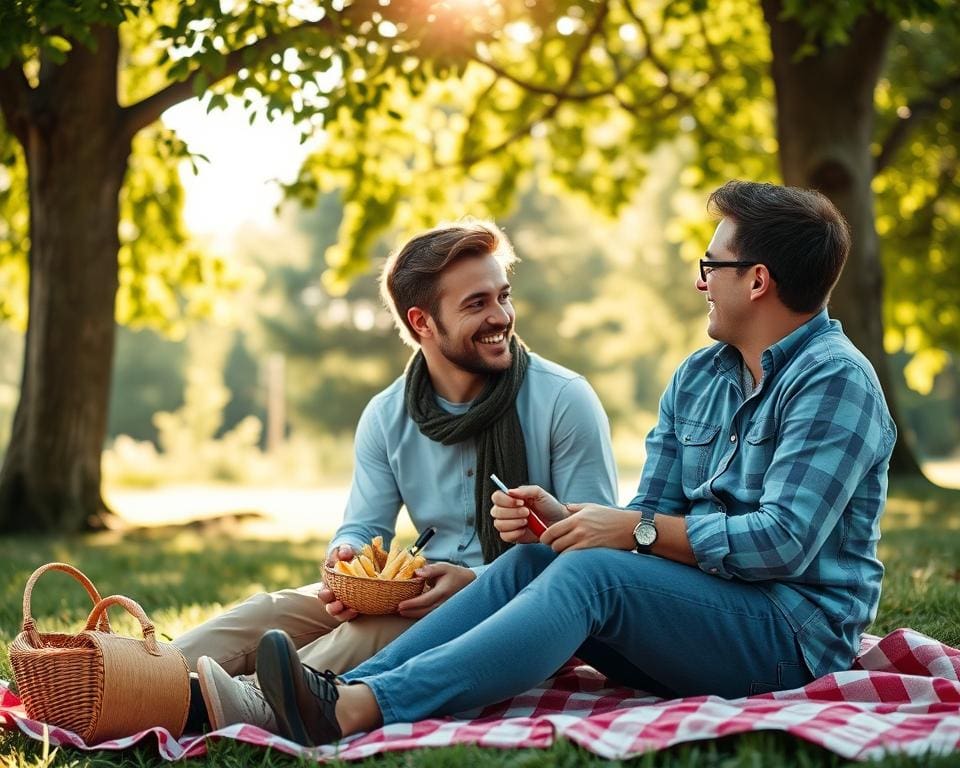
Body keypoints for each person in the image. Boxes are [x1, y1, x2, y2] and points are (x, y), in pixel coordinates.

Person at [242, 180, 897, 747]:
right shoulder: (701, 377)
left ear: (757, 280)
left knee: (593, 578)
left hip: (790, 639)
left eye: (712, 263)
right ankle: (339, 691)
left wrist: (630, 532)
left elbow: (781, 542)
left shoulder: (835, 382)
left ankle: (363, 707)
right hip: (702, 616)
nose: (700, 279)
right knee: (536, 559)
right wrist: (572, 521)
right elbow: (655, 514)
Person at [182, 220, 619, 731]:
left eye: (503, 296)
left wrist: (475, 582)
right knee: (266, 611)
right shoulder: (387, 414)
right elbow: (364, 527)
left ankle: (235, 705)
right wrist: (347, 562)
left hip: (520, 608)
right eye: (476, 304)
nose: (502, 316)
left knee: (369, 633)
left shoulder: (564, 399)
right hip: (419, 586)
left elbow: (596, 558)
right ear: (422, 323)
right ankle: (129, 672)